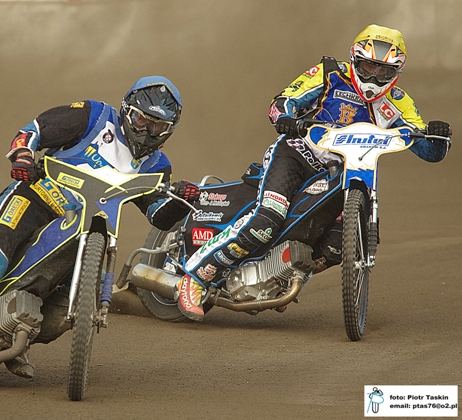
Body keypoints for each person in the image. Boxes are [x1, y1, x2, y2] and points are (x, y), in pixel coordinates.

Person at [0, 75, 201, 376]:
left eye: (158, 125)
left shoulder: (158, 165)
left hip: (82, 230)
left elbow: (158, 214)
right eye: (142, 120)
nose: (147, 130)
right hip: (35, 198)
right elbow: (34, 130)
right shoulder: (94, 116)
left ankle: (9, 336)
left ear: (169, 130)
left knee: (65, 309)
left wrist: (181, 199)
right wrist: (23, 155)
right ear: (127, 110)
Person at [175, 24, 452, 321]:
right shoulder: (329, 73)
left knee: (336, 246)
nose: (373, 77)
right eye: (368, 66)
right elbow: (282, 101)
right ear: (355, 59)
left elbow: (427, 148)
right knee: (267, 219)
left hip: (345, 173)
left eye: (383, 71)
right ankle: (196, 276)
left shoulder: (399, 102)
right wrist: (286, 118)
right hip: (297, 154)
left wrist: (438, 137)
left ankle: (279, 275)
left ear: (396, 72)